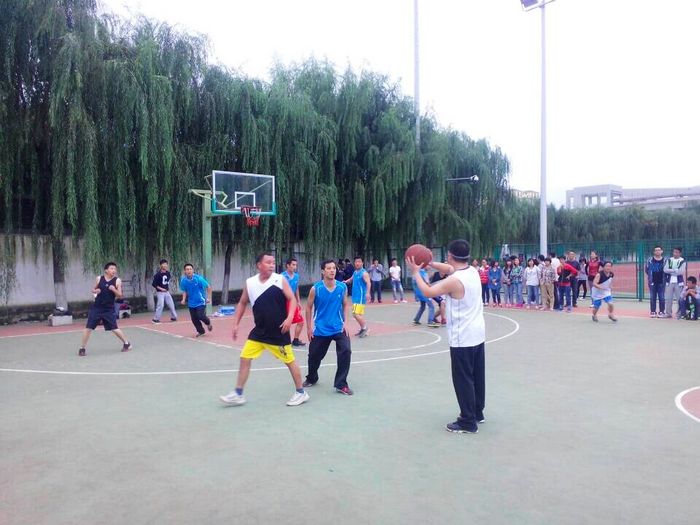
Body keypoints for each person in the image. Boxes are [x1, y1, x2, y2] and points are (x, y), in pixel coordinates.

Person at [406, 239, 485, 434]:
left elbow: (428, 291)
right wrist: (429, 263)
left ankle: (467, 421)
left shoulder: (454, 281)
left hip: (462, 337)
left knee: (463, 379)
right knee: (477, 376)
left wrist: (416, 272)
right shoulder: (472, 271)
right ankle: (477, 413)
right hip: (477, 334)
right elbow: (449, 268)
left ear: (449, 255)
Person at [219, 253, 308, 407]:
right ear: (259, 265)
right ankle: (238, 394)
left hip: (278, 332)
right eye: (268, 262)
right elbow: (242, 303)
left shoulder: (280, 280)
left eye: (273, 262)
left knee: (289, 361)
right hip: (259, 332)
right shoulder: (250, 283)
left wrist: (289, 318)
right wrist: (236, 324)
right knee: (245, 357)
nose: (272, 265)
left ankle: (301, 393)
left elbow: (292, 299)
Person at [303, 259, 353, 395]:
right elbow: (308, 308)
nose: (332, 270)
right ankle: (312, 378)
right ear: (323, 271)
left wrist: (346, 323)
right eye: (329, 268)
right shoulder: (316, 289)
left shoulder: (342, 287)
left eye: (334, 268)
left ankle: (341, 384)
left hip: (338, 327)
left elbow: (345, 305)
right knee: (314, 355)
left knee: (346, 351)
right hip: (321, 329)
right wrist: (308, 328)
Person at [78, 262, 132, 356]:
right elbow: (93, 290)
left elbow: (120, 295)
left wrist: (113, 289)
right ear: (106, 270)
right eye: (112, 268)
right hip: (97, 308)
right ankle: (82, 348)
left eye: (115, 269)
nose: (114, 270)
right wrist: (96, 291)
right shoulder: (99, 278)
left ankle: (127, 344)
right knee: (88, 328)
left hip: (108, 309)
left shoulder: (117, 280)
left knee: (114, 328)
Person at [179, 263, 213, 337]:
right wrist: (183, 299)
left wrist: (209, 298)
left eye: (190, 269)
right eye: (187, 269)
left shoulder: (199, 279)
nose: (189, 271)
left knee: (200, 315)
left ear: (193, 270)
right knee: (194, 319)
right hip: (191, 303)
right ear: (185, 271)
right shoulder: (183, 281)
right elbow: (184, 291)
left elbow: (208, 287)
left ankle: (208, 323)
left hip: (201, 301)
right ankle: (201, 331)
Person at [344, 256, 371, 337]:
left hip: (360, 296)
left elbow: (368, 283)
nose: (357, 263)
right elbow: (351, 279)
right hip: (355, 296)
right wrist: (345, 282)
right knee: (359, 314)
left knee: (355, 314)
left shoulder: (364, 273)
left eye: (359, 262)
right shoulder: (355, 272)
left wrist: (368, 293)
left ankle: (365, 328)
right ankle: (362, 328)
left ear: (362, 263)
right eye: (356, 262)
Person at [283, 257, 306, 347]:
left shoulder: (296, 276)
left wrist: (298, 301)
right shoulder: (282, 276)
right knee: (285, 322)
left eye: (296, 265)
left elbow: (296, 289)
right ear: (288, 265)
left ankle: (295, 340)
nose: (295, 267)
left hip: (292, 302)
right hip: (284, 301)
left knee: (301, 321)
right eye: (293, 265)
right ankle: (282, 341)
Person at [151, 259, 178, 323]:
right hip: (160, 292)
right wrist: (161, 289)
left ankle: (174, 317)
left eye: (166, 264)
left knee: (171, 304)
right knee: (160, 305)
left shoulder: (168, 273)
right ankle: (156, 319)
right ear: (161, 265)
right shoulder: (157, 275)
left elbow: (166, 282)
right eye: (163, 264)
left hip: (167, 292)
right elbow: (154, 284)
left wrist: (166, 289)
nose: (165, 265)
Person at [663, 247, 686, 319]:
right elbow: (665, 270)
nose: (674, 254)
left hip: (679, 282)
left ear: (680, 253)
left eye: (676, 252)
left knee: (679, 299)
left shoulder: (682, 261)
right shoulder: (669, 260)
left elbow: (681, 272)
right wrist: (674, 270)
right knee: (668, 298)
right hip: (669, 282)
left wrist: (670, 271)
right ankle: (668, 313)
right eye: (674, 252)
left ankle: (679, 314)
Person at [644, 245, 667, 318]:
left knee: (662, 297)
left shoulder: (665, 260)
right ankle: (653, 311)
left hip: (662, 282)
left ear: (662, 251)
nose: (657, 251)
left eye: (659, 250)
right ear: (654, 252)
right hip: (652, 282)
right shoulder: (650, 260)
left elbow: (667, 270)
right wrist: (650, 277)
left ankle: (661, 311)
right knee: (652, 297)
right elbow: (646, 270)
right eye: (656, 250)